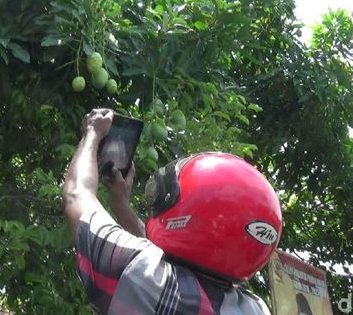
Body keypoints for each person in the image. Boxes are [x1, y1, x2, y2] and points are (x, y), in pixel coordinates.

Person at [62, 108, 283, 314]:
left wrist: (92, 133)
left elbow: (77, 195)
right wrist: (121, 205)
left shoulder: (151, 282)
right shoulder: (254, 307)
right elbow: (158, 250)